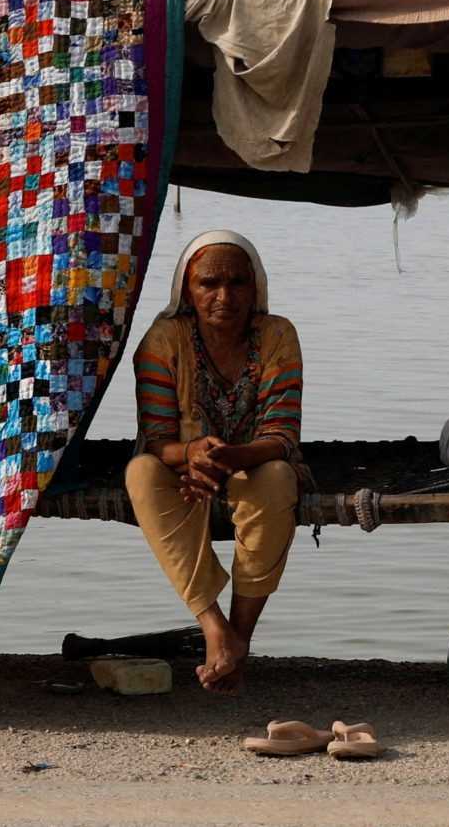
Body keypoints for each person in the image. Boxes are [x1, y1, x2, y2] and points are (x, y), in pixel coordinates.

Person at [123, 229, 303, 693]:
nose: (224, 296)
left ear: (255, 287)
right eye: (208, 284)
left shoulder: (276, 334)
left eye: (238, 283)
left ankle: (238, 638)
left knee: (279, 479)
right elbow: (157, 439)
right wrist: (191, 454)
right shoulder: (164, 338)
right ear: (187, 289)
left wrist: (228, 457)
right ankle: (215, 629)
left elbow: (282, 437)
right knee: (140, 471)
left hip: (256, 462)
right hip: (183, 469)